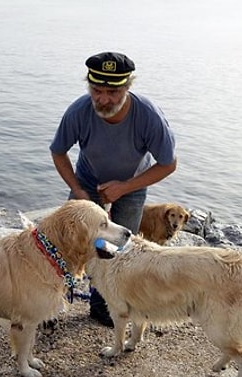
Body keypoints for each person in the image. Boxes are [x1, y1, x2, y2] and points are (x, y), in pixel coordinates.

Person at [50, 51, 177, 327]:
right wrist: (78, 190)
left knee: (118, 249)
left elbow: (168, 164)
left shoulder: (148, 116)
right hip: (86, 181)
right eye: (97, 90)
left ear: (128, 87)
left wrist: (125, 187)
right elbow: (58, 152)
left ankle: (102, 305)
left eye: (112, 92)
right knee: (70, 245)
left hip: (132, 185)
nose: (103, 99)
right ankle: (52, 302)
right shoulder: (79, 111)